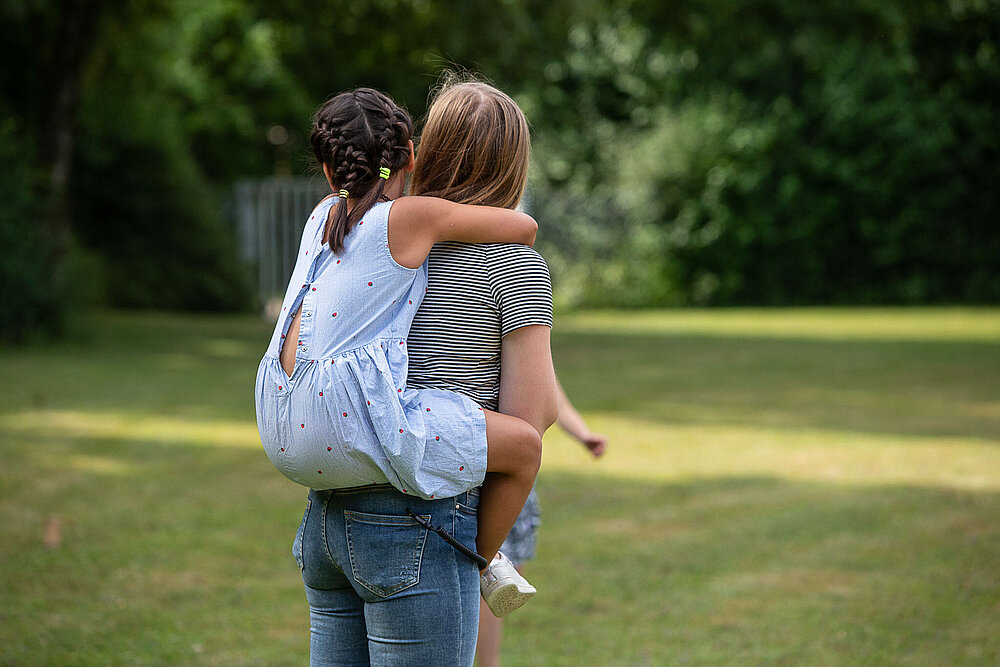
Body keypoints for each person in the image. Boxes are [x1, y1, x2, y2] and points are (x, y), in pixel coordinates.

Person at [254, 88, 554, 665]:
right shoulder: (504, 259)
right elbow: (532, 414)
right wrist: (477, 548)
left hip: (330, 515)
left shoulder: (365, 237)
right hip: (424, 526)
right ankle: (485, 560)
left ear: (428, 150)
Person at [475, 379, 608, 667]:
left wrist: (582, 433)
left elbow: (549, 389)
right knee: (487, 579)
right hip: (487, 474)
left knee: (506, 578)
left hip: (517, 482)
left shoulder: (522, 340)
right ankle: (488, 662)